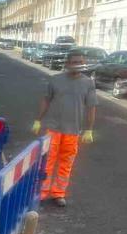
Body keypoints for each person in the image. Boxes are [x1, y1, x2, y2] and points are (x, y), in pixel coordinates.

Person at [31, 48, 96, 207]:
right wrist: (38, 120)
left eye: (80, 62)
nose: (77, 65)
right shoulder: (55, 80)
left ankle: (58, 193)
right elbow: (46, 100)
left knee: (66, 163)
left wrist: (89, 129)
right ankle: (42, 192)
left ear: (84, 63)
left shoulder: (88, 83)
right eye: (74, 63)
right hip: (53, 128)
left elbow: (91, 107)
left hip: (73, 131)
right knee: (47, 161)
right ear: (67, 64)